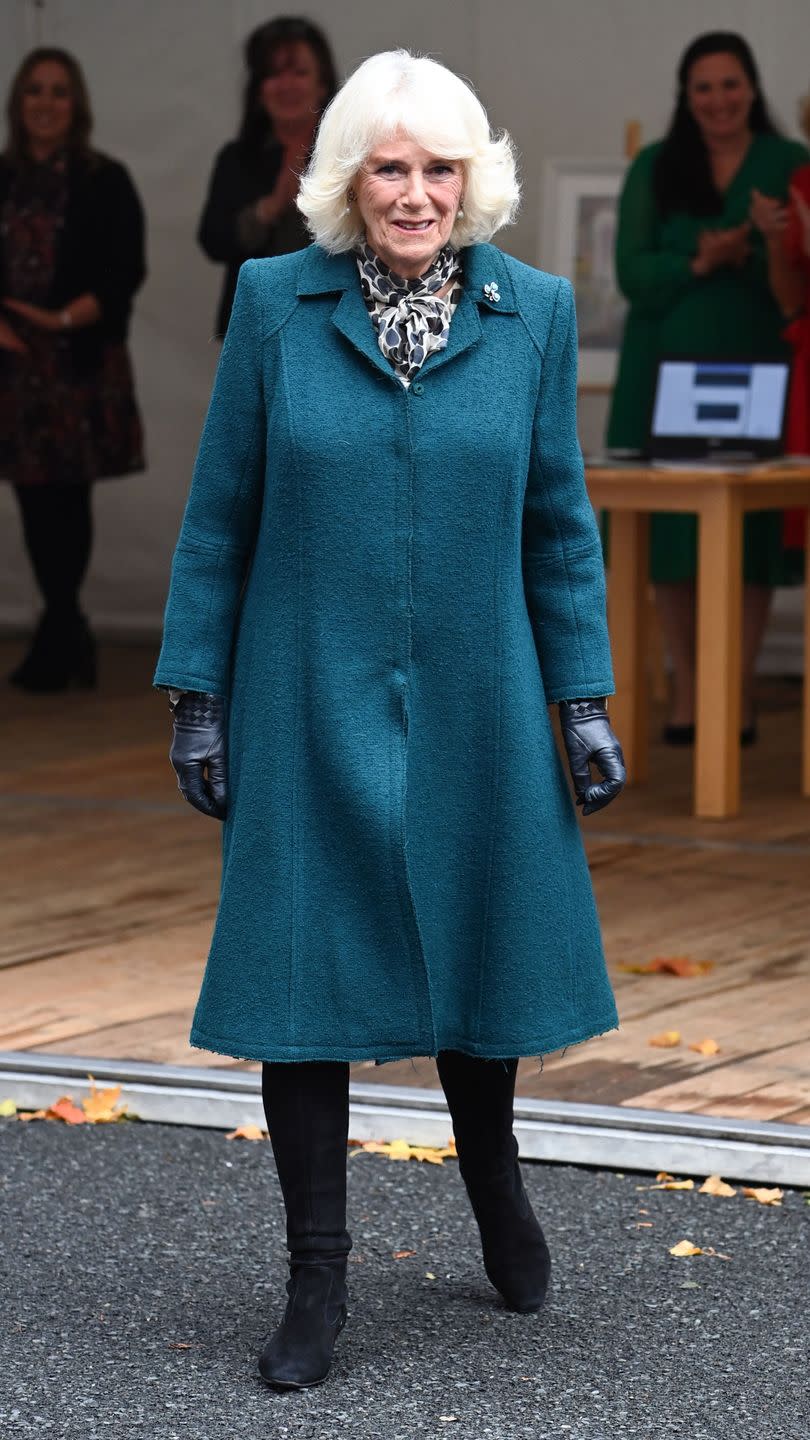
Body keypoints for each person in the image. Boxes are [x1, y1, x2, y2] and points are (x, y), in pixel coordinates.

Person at [155, 50, 625, 1392]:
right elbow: (221, 512)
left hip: (477, 691)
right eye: (387, 165)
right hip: (303, 687)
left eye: (438, 168)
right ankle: (317, 1279)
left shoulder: (528, 310)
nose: (414, 193)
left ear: (472, 180)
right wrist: (198, 693)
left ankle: (498, 1199)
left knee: (478, 955)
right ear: (344, 180)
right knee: (301, 987)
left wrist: (576, 695)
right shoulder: (270, 302)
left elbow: (555, 525)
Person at [607, 32, 809, 743]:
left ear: (753, 88)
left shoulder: (790, 164)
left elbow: (799, 277)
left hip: (755, 365)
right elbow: (634, 274)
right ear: (684, 97)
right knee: (671, 539)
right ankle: (691, 689)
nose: (719, 100)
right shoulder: (657, 167)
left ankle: (738, 688)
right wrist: (703, 258)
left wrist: (764, 245)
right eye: (704, 87)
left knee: (747, 536)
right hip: (660, 371)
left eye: (731, 84)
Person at [0, 47, 145, 692]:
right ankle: (66, 629)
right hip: (13, 364)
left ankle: (62, 627)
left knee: (69, 494)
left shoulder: (104, 178)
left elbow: (124, 271)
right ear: (17, 102)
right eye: (35, 90)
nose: (46, 103)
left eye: (59, 91)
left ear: (76, 104)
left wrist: (59, 322)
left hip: (78, 359)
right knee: (33, 496)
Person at [197, 15, 338, 338]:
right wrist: (268, 210)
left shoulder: (349, 156)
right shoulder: (237, 158)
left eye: (300, 73)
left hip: (334, 323)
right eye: (274, 74)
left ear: (322, 85)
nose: (287, 85)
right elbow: (213, 240)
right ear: (259, 90)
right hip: (256, 326)